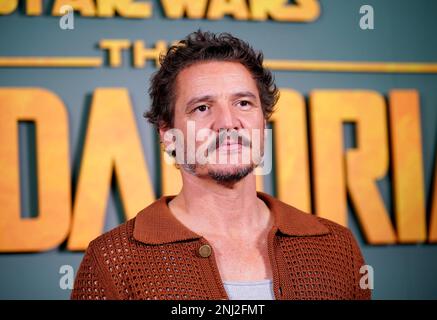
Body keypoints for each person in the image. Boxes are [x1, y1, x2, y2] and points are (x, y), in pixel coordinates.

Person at [71, 30, 371, 300]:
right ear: (168, 134)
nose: (228, 123)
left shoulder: (336, 247)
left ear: (262, 120)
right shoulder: (113, 260)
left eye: (243, 103)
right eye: (202, 108)